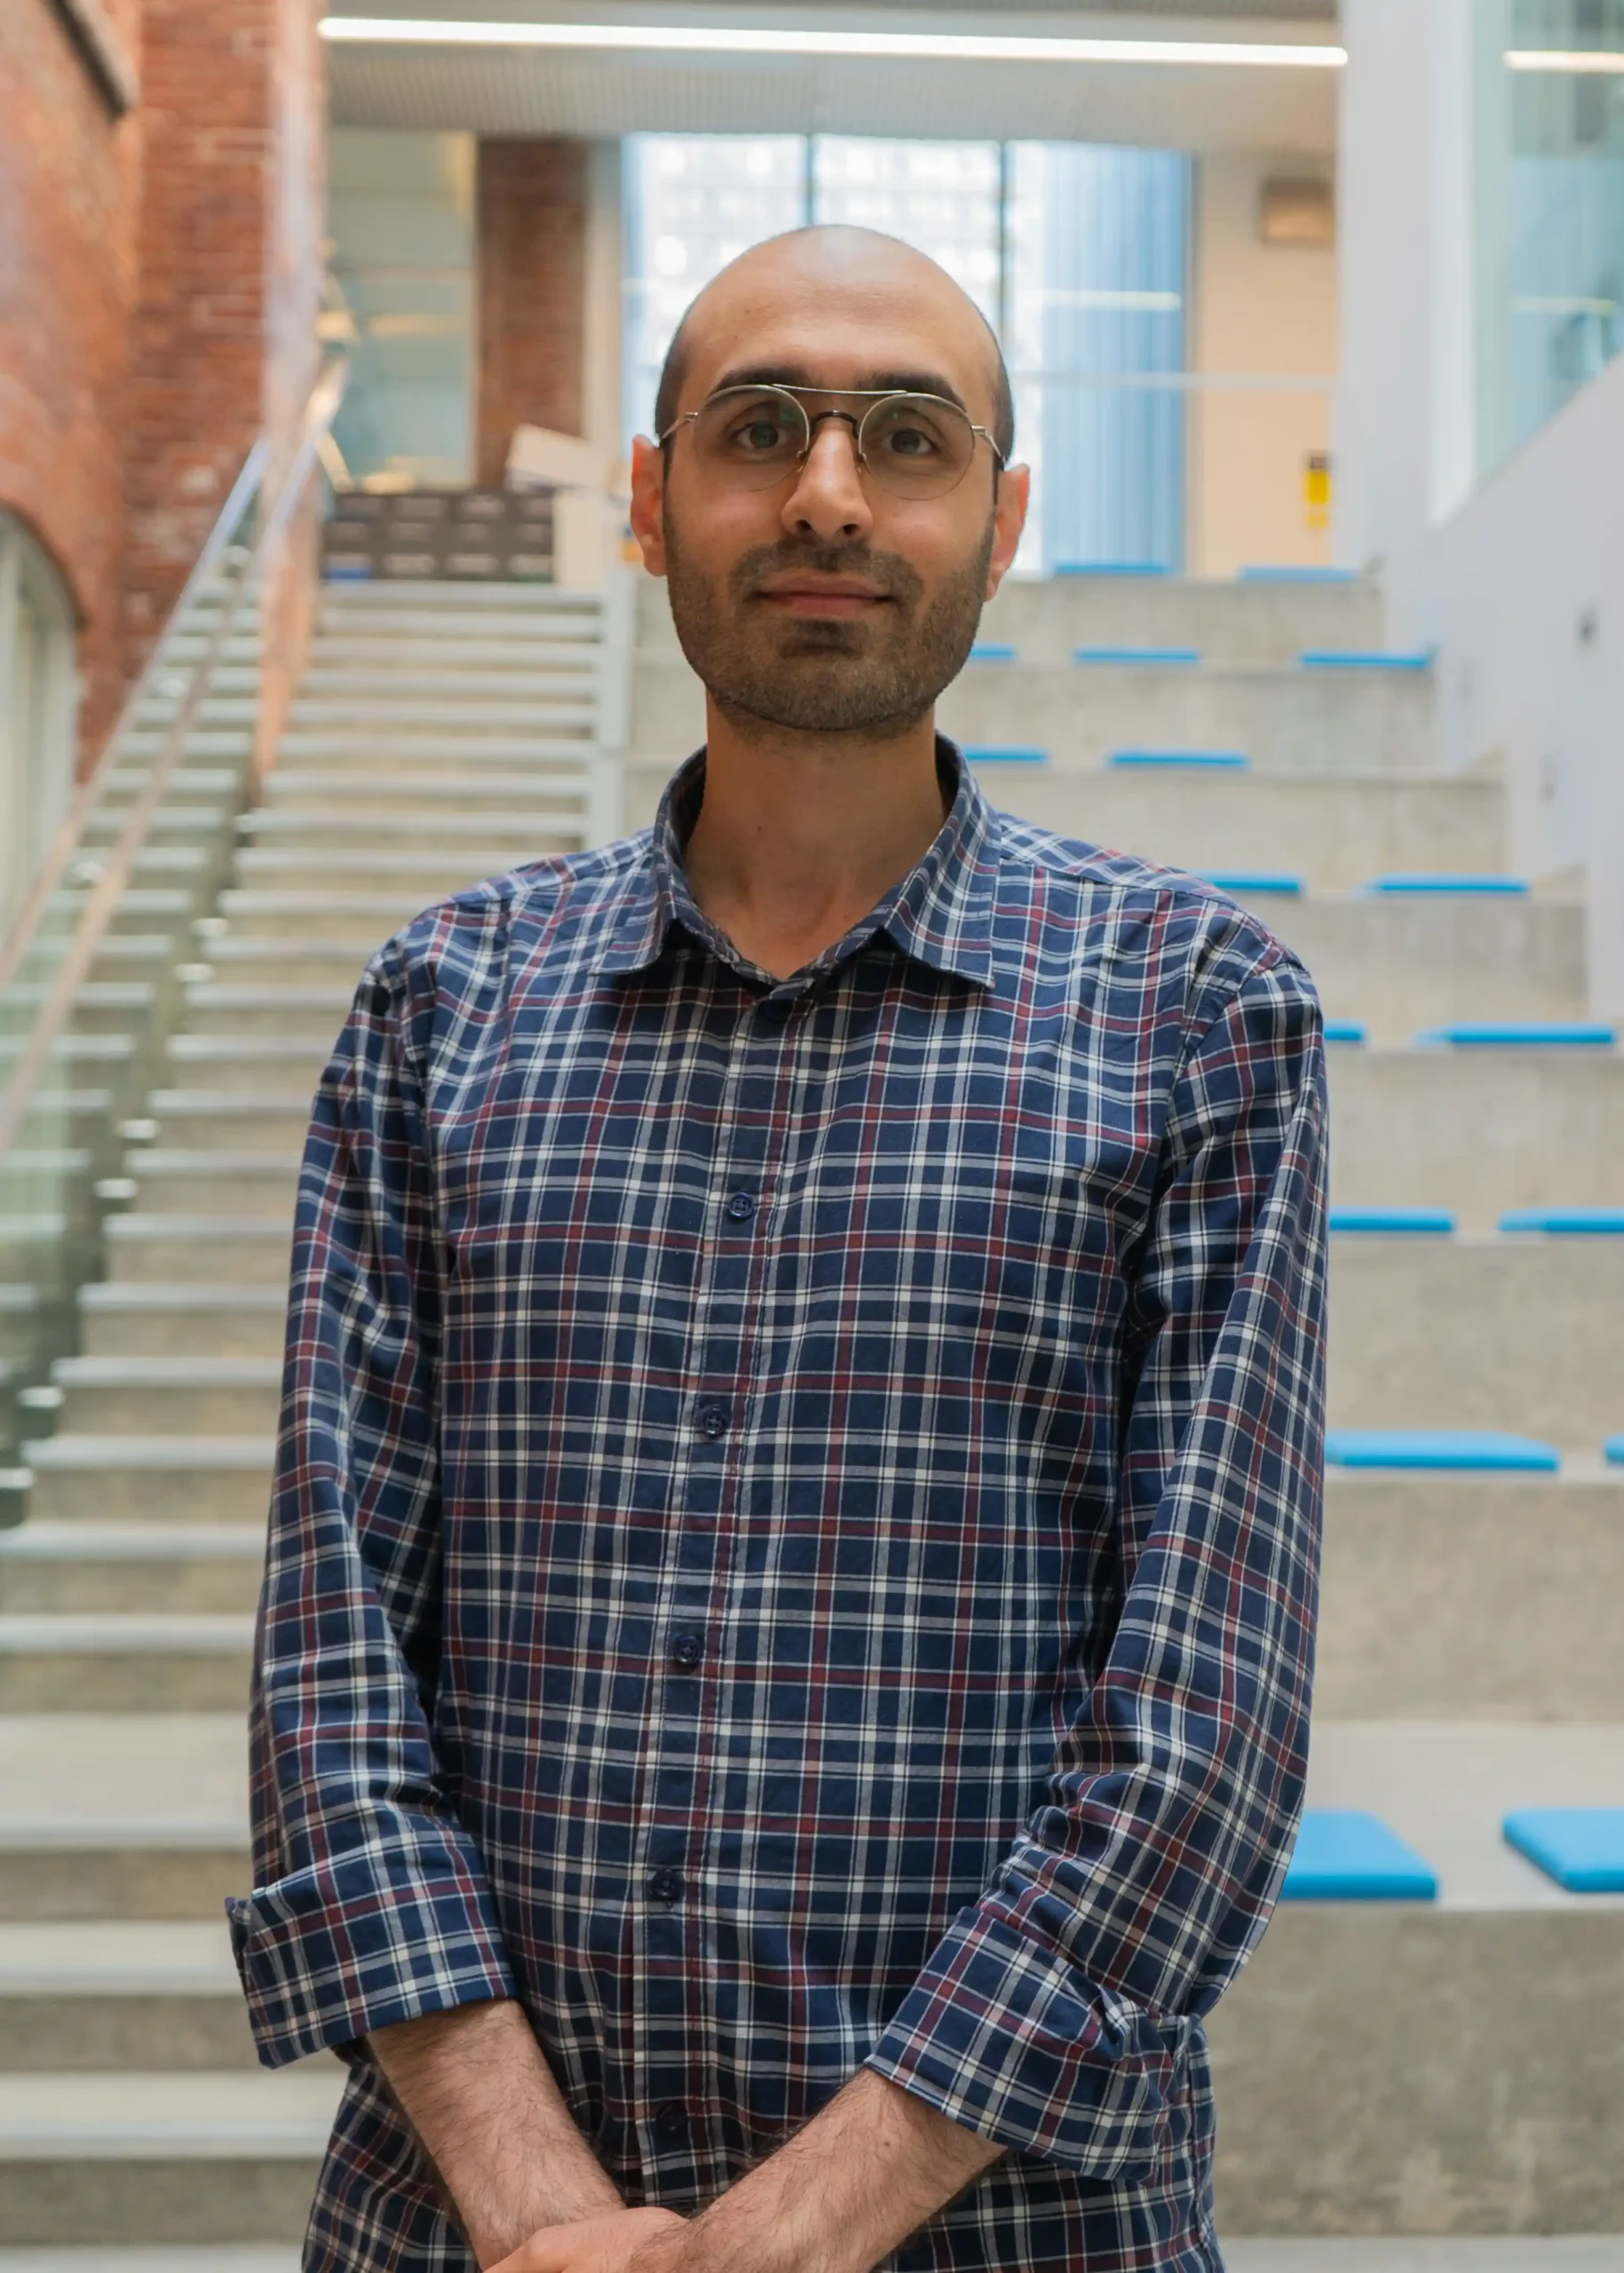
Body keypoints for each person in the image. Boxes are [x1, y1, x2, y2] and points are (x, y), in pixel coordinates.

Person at [232, 224, 1327, 2273]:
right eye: (759, 430)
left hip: (1007, 2228)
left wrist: (802, 2227)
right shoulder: (439, 1004)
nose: (827, 492)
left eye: (904, 437)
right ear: (651, 503)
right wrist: (538, 2201)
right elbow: (330, 1657)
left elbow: (1203, 1708)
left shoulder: (1192, 1011)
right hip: (468, 2229)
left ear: (998, 519)